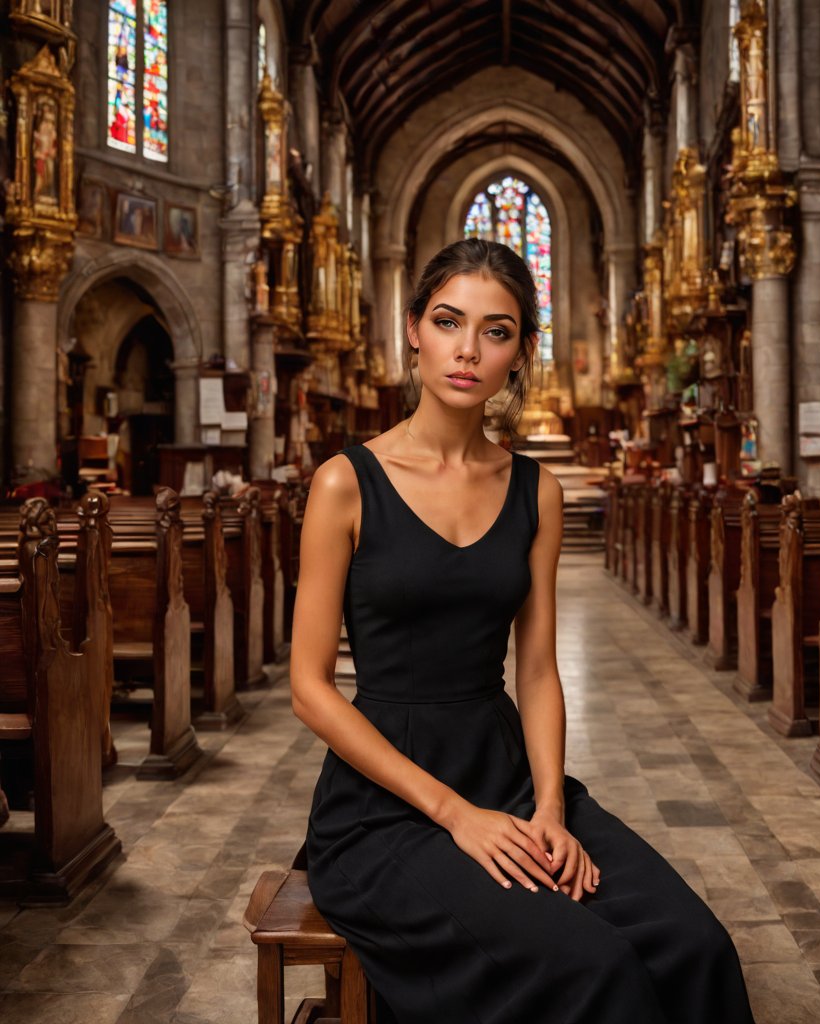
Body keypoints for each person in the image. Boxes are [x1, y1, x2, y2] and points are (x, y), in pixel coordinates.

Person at [292, 238, 756, 1024]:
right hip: (386, 808)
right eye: (448, 321)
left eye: (496, 331)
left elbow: (536, 670)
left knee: (696, 944)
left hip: (506, 773)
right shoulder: (346, 483)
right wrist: (456, 816)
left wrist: (548, 810)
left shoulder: (535, 490)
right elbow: (309, 690)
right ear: (413, 330)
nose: (468, 349)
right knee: (594, 967)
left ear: (522, 351)